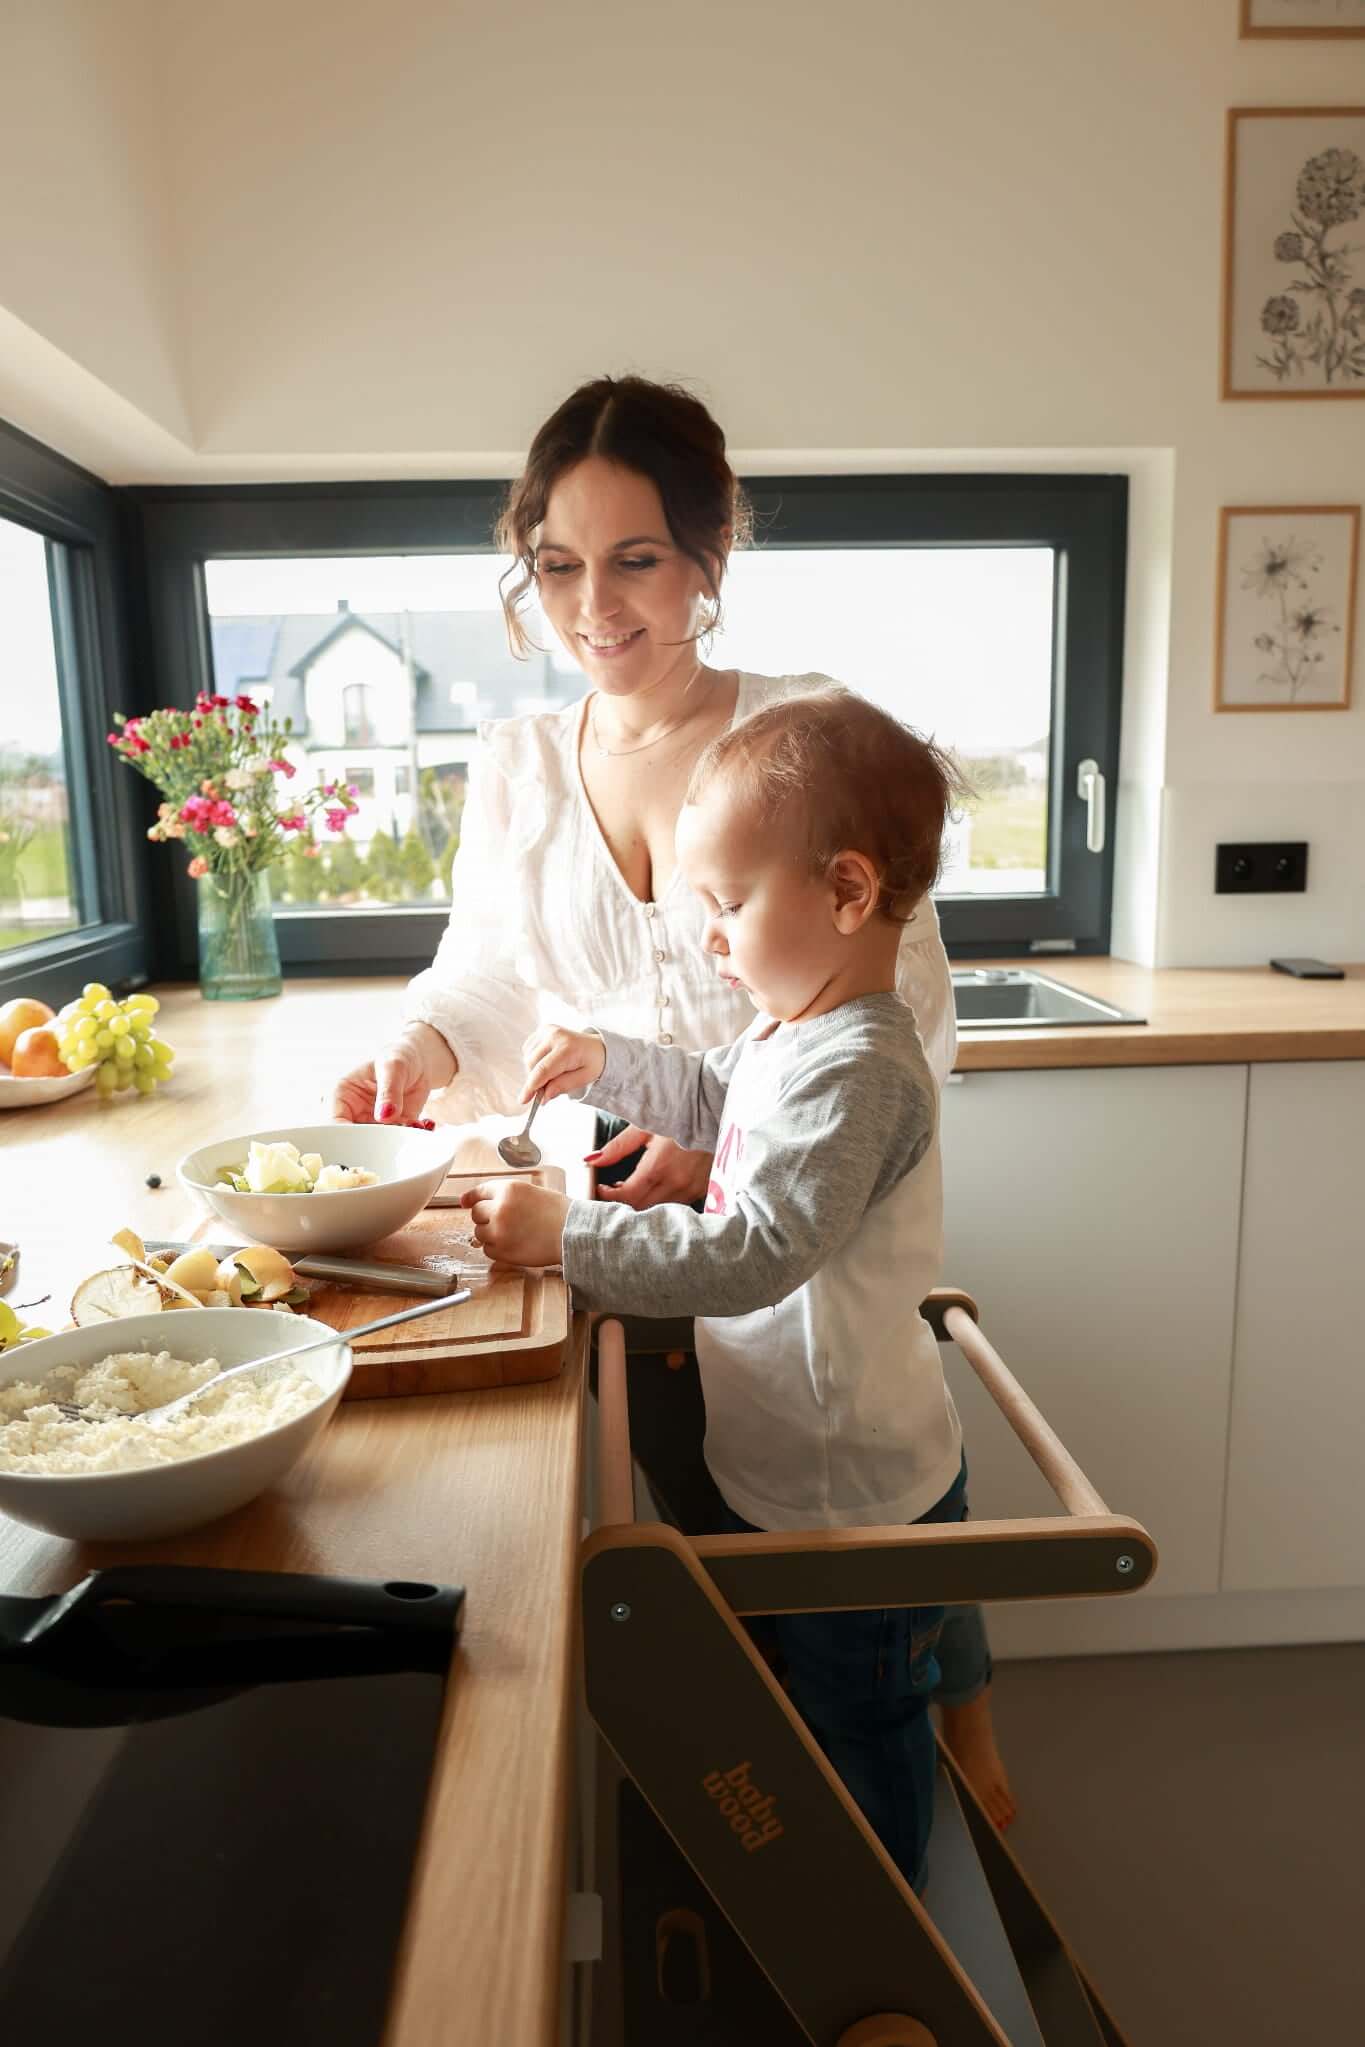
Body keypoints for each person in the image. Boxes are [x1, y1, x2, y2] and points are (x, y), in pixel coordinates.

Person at [329, 373, 1015, 1828]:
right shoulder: (518, 761)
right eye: (559, 565)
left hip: (768, 1213)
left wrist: (734, 1156)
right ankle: (798, 1809)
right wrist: (421, 1050)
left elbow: (910, 1023)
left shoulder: (805, 743)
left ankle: (925, 1778)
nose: (595, 606)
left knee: (849, 1531)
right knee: (749, 1556)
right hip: (639, 1219)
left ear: (710, 552)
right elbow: (484, 977)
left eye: (634, 558)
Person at [460, 689, 969, 1892]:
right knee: (803, 1704)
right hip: (789, 1467)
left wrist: (567, 1236)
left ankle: (881, 1938)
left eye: (729, 907)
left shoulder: (862, 1070)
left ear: (847, 894)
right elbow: (709, 1095)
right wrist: (606, 1059)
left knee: (866, 1723)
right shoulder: (795, 1031)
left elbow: (752, 1250)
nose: (709, 940)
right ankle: (830, 1883)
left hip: (857, 1500)